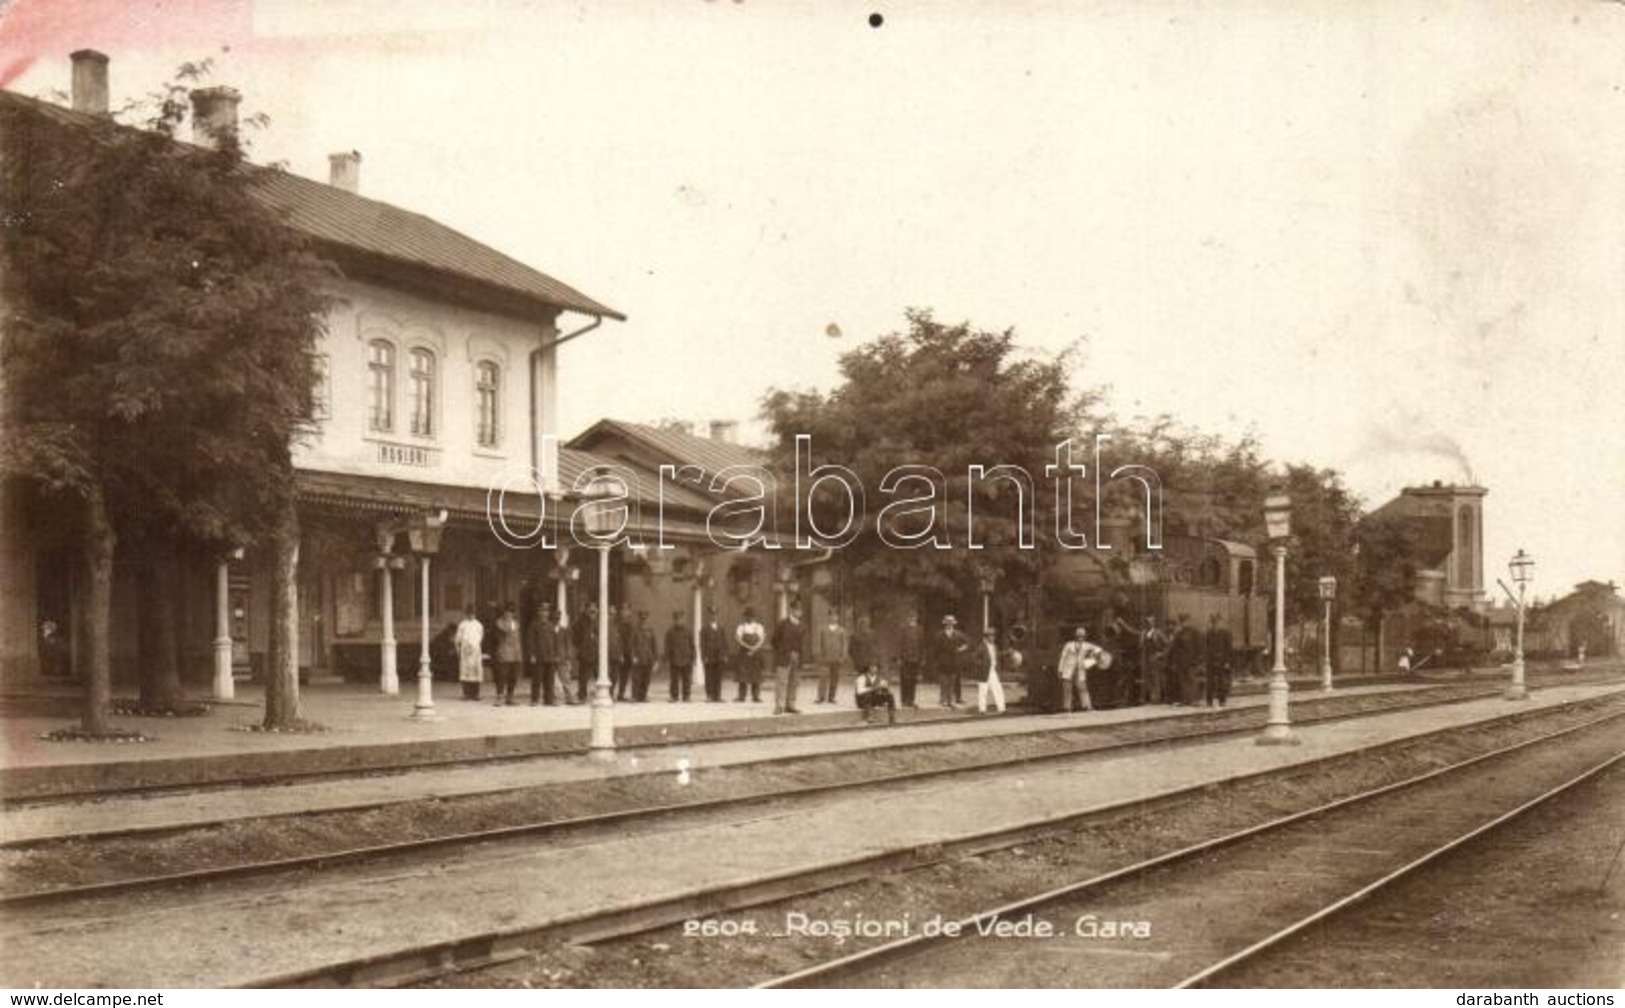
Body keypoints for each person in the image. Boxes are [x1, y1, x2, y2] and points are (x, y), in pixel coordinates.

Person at [1056, 626, 1102, 712]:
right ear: (1076, 636)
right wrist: (1060, 670)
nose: (1080, 637)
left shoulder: (1087, 645)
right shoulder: (1068, 645)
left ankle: (1087, 706)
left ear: (1084, 637)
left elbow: (1098, 649)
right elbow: (1063, 658)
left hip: (1080, 671)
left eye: (1082, 636)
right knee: (1067, 690)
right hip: (1068, 670)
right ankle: (1067, 708)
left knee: (1083, 689)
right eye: (1079, 636)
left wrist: (1094, 655)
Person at [772, 604, 806, 714]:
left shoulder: (802, 625)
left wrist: (799, 655)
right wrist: (784, 651)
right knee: (781, 682)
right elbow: (774, 641)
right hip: (784, 657)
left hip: (798, 657)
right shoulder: (782, 623)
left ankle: (790, 705)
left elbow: (804, 642)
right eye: (797, 609)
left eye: (800, 610)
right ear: (791, 610)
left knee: (794, 682)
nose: (799, 612)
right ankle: (779, 706)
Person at [934, 615, 970, 708]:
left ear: (953, 624)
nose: (949, 625)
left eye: (951, 623)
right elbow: (936, 649)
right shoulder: (939, 635)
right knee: (943, 681)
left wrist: (961, 649)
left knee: (952, 681)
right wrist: (938, 660)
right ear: (945, 624)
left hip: (954, 660)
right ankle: (943, 699)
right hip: (943, 661)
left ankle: (951, 700)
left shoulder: (958, 634)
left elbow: (968, 643)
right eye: (947, 623)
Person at [529, 603, 560, 705]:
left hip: (550, 656)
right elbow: (531, 641)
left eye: (546, 611)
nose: (544, 613)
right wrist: (532, 654)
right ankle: (535, 699)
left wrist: (556, 654)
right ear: (539, 612)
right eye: (542, 611)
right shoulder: (534, 625)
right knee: (537, 679)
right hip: (539, 656)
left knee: (549, 680)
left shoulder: (551, 625)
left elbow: (555, 641)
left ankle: (549, 700)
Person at [814, 614, 848, 704]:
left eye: (836, 616)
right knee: (823, 677)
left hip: (837, 658)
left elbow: (844, 644)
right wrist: (819, 655)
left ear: (838, 618)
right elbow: (818, 643)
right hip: (825, 658)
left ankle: (832, 697)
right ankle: (821, 697)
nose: (834, 618)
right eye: (832, 616)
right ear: (828, 617)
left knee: (835, 678)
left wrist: (843, 657)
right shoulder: (822, 629)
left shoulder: (841, 630)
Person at [493, 603, 523, 706]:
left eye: (512, 612)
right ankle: (500, 696)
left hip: (515, 653)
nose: (510, 614)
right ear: (504, 612)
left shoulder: (516, 623)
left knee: (513, 676)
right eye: (508, 611)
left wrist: (519, 652)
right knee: (501, 675)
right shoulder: (499, 623)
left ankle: (510, 697)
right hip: (504, 651)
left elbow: (517, 638)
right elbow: (499, 636)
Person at [1169, 614, 1201, 705]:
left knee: (1192, 679)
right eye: (1182, 622)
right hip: (1181, 661)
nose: (1184, 624)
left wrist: (1198, 660)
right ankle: (1186, 699)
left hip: (1191, 660)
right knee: (1183, 681)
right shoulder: (1178, 634)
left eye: (1185, 621)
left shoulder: (1194, 632)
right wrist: (1175, 661)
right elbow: (1175, 648)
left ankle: (1194, 699)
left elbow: (1199, 647)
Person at [734, 608, 766, 702]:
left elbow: (762, 640)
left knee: (756, 675)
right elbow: (738, 639)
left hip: (755, 654)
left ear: (754, 617)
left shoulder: (759, 627)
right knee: (742, 675)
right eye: (748, 616)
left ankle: (756, 696)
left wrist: (754, 649)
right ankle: (741, 696)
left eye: (751, 616)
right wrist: (748, 647)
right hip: (744, 653)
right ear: (745, 617)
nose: (750, 618)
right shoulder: (741, 627)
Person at [1203, 613, 1234, 707]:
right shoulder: (1208, 633)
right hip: (1211, 661)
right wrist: (1206, 660)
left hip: (1222, 660)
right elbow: (1206, 648)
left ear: (1220, 622)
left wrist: (1228, 662)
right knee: (1210, 682)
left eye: (1217, 622)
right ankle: (1209, 701)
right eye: (1214, 622)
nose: (1215, 624)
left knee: (1222, 681)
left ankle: (1222, 700)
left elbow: (1229, 649)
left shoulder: (1226, 633)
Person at [847, 615, 877, 707]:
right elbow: (851, 650)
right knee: (860, 682)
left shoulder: (873, 634)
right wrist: (857, 660)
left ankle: (871, 702)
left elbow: (876, 648)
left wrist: (875, 661)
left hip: (871, 663)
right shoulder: (854, 636)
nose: (864, 626)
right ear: (859, 625)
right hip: (860, 663)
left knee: (871, 682)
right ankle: (860, 702)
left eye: (866, 624)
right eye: (862, 624)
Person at [664, 610, 695, 702]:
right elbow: (667, 646)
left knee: (687, 679)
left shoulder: (688, 631)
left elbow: (692, 645)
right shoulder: (670, 632)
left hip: (686, 658)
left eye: (680, 619)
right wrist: (666, 659)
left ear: (683, 619)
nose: (679, 621)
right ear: (674, 620)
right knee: (674, 679)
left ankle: (687, 696)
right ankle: (674, 696)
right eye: (676, 619)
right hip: (674, 659)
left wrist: (693, 657)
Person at [455, 609, 485, 700]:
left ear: (475, 614)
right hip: (465, 651)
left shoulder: (479, 625)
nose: (471, 615)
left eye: (473, 614)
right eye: (469, 614)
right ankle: (466, 694)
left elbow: (481, 636)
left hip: (475, 651)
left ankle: (476, 694)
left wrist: (475, 645)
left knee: (476, 671)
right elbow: (458, 638)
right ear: (466, 614)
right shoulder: (462, 625)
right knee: (465, 672)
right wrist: (458, 648)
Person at [975, 629, 1006, 714]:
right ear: (986, 637)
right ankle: (982, 709)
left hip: (993, 670)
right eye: (990, 636)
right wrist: (981, 665)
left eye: (993, 636)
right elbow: (975, 658)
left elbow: (998, 654)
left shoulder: (994, 646)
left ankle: (1001, 708)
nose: (992, 638)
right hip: (984, 671)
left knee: (997, 688)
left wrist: (1006, 653)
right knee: (983, 690)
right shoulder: (981, 647)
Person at [897, 612, 924, 707]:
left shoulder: (920, 630)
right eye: (910, 617)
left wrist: (922, 658)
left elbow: (922, 645)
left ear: (916, 618)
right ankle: (904, 700)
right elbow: (899, 644)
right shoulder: (903, 629)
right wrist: (899, 658)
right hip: (905, 659)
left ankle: (911, 700)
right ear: (907, 619)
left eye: (914, 617)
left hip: (915, 659)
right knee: (905, 679)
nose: (912, 619)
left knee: (913, 680)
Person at [700, 607, 727, 701]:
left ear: (717, 615)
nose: (713, 616)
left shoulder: (721, 628)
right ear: (709, 615)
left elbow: (724, 642)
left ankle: (718, 695)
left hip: (719, 656)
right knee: (709, 676)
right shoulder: (704, 628)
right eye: (711, 614)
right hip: (709, 656)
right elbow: (702, 644)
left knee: (718, 676)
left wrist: (725, 655)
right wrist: (704, 656)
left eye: (715, 614)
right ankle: (709, 695)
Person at [574, 601, 599, 701]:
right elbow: (575, 636)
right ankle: (582, 695)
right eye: (590, 609)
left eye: (594, 609)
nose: (592, 611)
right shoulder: (580, 621)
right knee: (583, 676)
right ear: (586, 610)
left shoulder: (599, 621)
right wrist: (581, 645)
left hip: (597, 652)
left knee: (599, 675)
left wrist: (596, 638)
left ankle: (600, 694)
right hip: (585, 652)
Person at [631, 610, 657, 702]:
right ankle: (635, 696)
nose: (644, 619)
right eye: (642, 617)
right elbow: (632, 644)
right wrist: (633, 656)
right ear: (639, 618)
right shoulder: (635, 629)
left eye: (645, 617)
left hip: (648, 658)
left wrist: (655, 660)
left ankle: (643, 696)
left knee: (646, 679)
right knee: (636, 678)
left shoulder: (650, 629)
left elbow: (654, 645)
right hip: (638, 657)